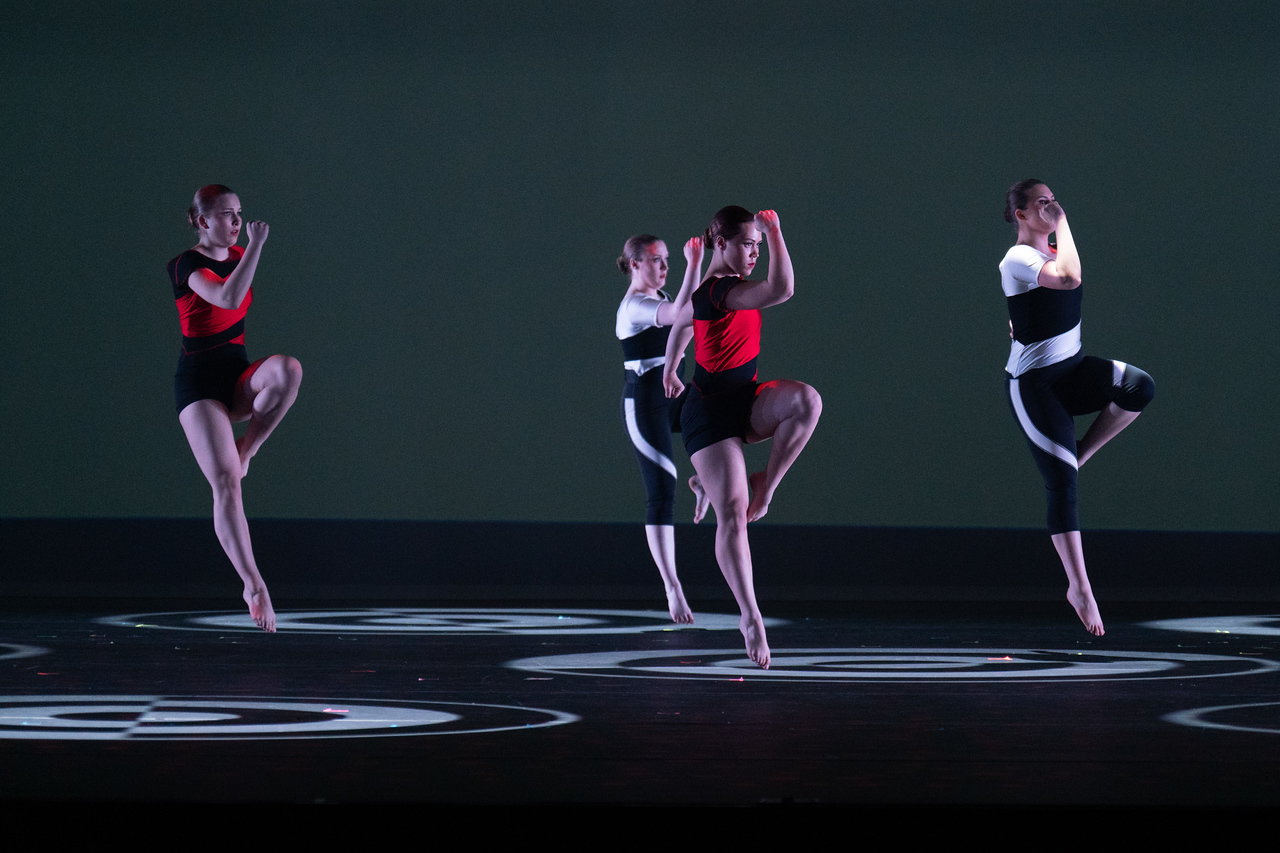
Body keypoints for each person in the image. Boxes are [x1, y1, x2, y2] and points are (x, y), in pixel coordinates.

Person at [662, 207, 822, 668]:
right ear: (721, 244)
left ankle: (761, 487)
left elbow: (681, 325)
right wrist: (776, 233)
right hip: (708, 419)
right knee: (732, 514)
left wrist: (673, 364)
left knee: (806, 402)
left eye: (757, 243)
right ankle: (750, 616)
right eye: (747, 243)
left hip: (744, 399)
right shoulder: (718, 289)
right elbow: (782, 289)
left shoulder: (704, 293)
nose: (753, 252)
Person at [1001, 179, 1154, 636]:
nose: (1052, 206)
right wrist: (1062, 224)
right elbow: (1069, 279)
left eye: (1055, 200)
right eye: (1042, 203)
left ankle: (1076, 456)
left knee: (1138, 387)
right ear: (1022, 216)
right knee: (1062, 488)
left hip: (1073, 371)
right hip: (1035, 387)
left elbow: (1049, 301)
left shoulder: (1048, 255)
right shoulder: (1020, 257)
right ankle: (1080, 588)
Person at [168, 185, 303, 632]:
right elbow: (225, 299)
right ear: (203, 222)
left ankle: (249, 450)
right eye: (227, 215)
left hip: (236, 376)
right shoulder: (186, 265)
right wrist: (257, 248)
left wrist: (248, 251)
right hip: (199, 385)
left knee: (287, 370)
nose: (238, 222)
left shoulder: (239, 253)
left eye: (239, 214)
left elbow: (235, 300)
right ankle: (253, 584)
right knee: (226, 484)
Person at [615, 234, 710, 623]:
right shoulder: (635, 307)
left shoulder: (659, 294)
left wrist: (696, 266)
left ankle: (703, 478)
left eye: (668, 260)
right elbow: (680, 315)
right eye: (657, 260)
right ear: (635, 264)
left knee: (721, 413)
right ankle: (672, 586)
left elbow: (687, 314)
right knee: (662, 492)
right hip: (646, 405)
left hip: (674, 393)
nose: (664, 266)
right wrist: (694, 264)